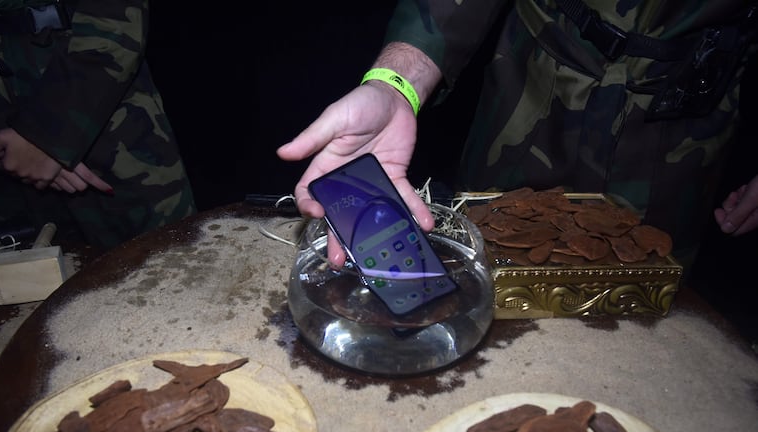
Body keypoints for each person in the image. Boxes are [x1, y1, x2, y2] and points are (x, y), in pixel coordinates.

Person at [278, 0, 758, 271]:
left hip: (684, 122)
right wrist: (397, 84)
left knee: (653, 310)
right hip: (531, 95)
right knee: (484, 273)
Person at [0, 0, 196, 249]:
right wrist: (7, 133)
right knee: (28, 275)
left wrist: (46, 133)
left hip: (98, 95)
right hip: (3, 137)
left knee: (169, 258)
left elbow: (116, 12)